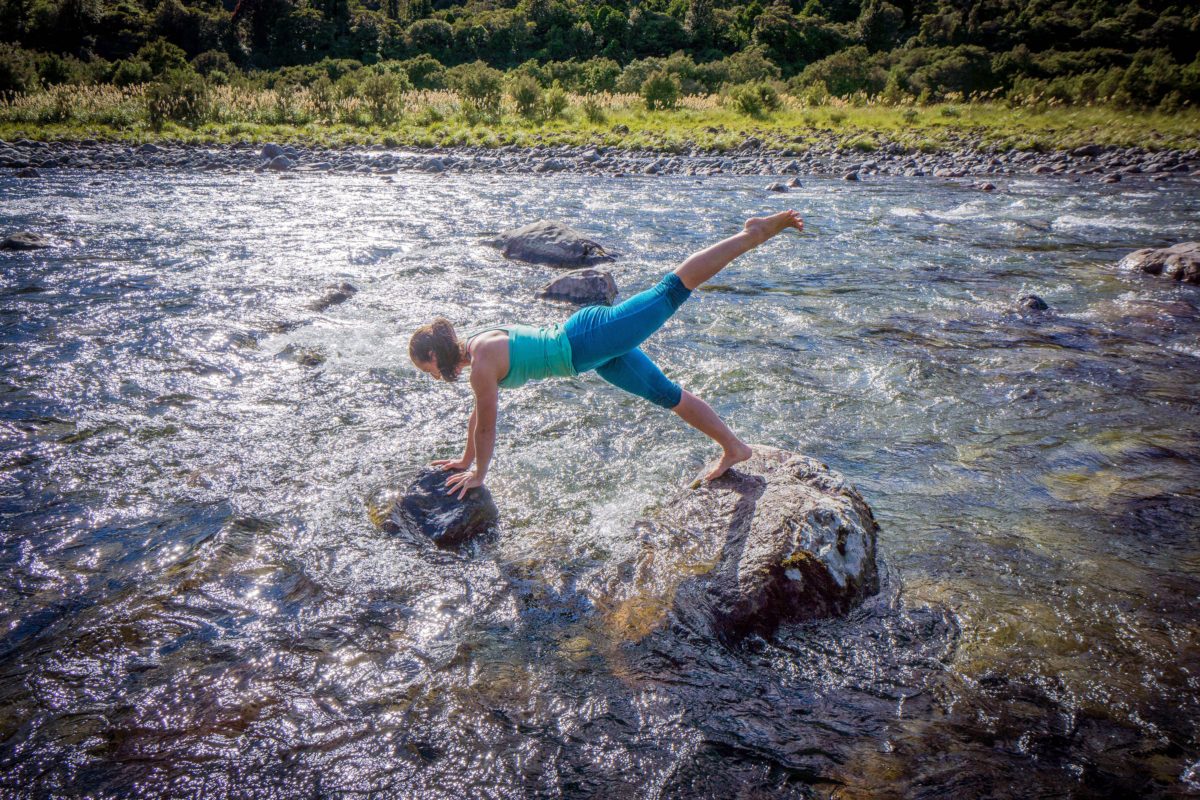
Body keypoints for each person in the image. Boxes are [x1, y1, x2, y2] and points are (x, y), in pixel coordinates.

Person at [409, 209, 804, 499]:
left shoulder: (480, 364)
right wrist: (464, 460)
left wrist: (479, 472)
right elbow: (478, 414)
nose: (429, 374)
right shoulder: (477, 346)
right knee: (669, 396)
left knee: (672, 290)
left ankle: (750, 234)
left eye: (425, 367)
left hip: (589, 340)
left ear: (434, 353)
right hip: (593, 356)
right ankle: (735, 448)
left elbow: (486, 428)